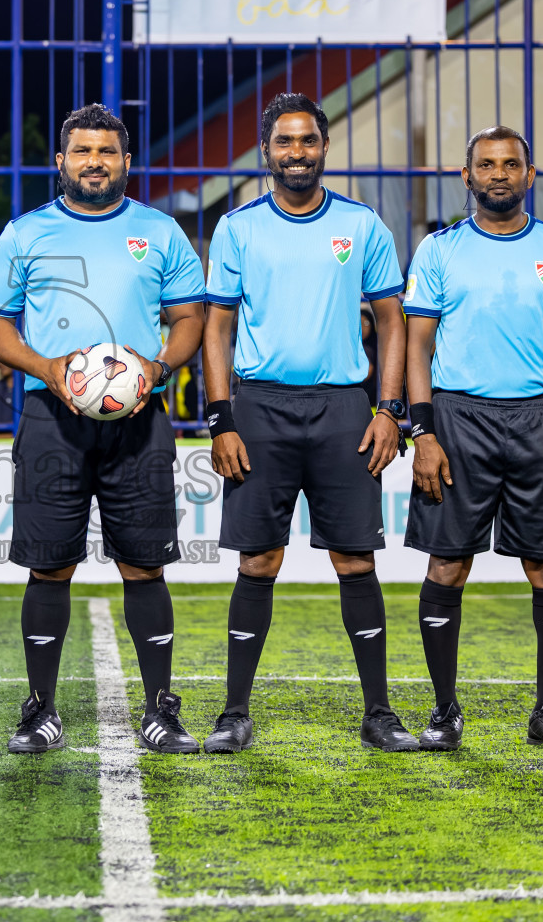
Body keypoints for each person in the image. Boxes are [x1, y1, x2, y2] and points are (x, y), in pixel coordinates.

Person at [0, 103, 206, 754]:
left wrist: (157, 367)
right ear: (61, 162)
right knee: (49, 567)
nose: (95, 162)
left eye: (107, 151)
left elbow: (188, 319)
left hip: (138, 415)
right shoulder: (26, 234)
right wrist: (48, 368)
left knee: (145, 564)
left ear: (127, 162)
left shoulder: (161, 233)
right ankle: (40, 708)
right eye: (82, 151)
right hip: (53, 417)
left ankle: (161, 707)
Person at [202, 92, 415, 754]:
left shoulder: (363, 225)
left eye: (308, 141)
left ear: (324, 148)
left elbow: (391, 322)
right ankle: (234, 711)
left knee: (355, 559)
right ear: (267, 152)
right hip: (259, 408)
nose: (297, 152)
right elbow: (217, 327)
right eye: (285, 142)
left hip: (344, 409)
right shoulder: (238, 228)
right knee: (258, 559)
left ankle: (379, 713)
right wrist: (220, 419)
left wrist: (389, 411)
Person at [403, 125, 543, 753]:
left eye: (510, 164)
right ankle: (444, 712)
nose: (498, 174)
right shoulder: (438, 252)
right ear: (467, 177)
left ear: (529, 175)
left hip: (540, 421)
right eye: (486, 164)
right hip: (458, 419)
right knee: (447, 564)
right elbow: (417, 344)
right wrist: (422, 430)